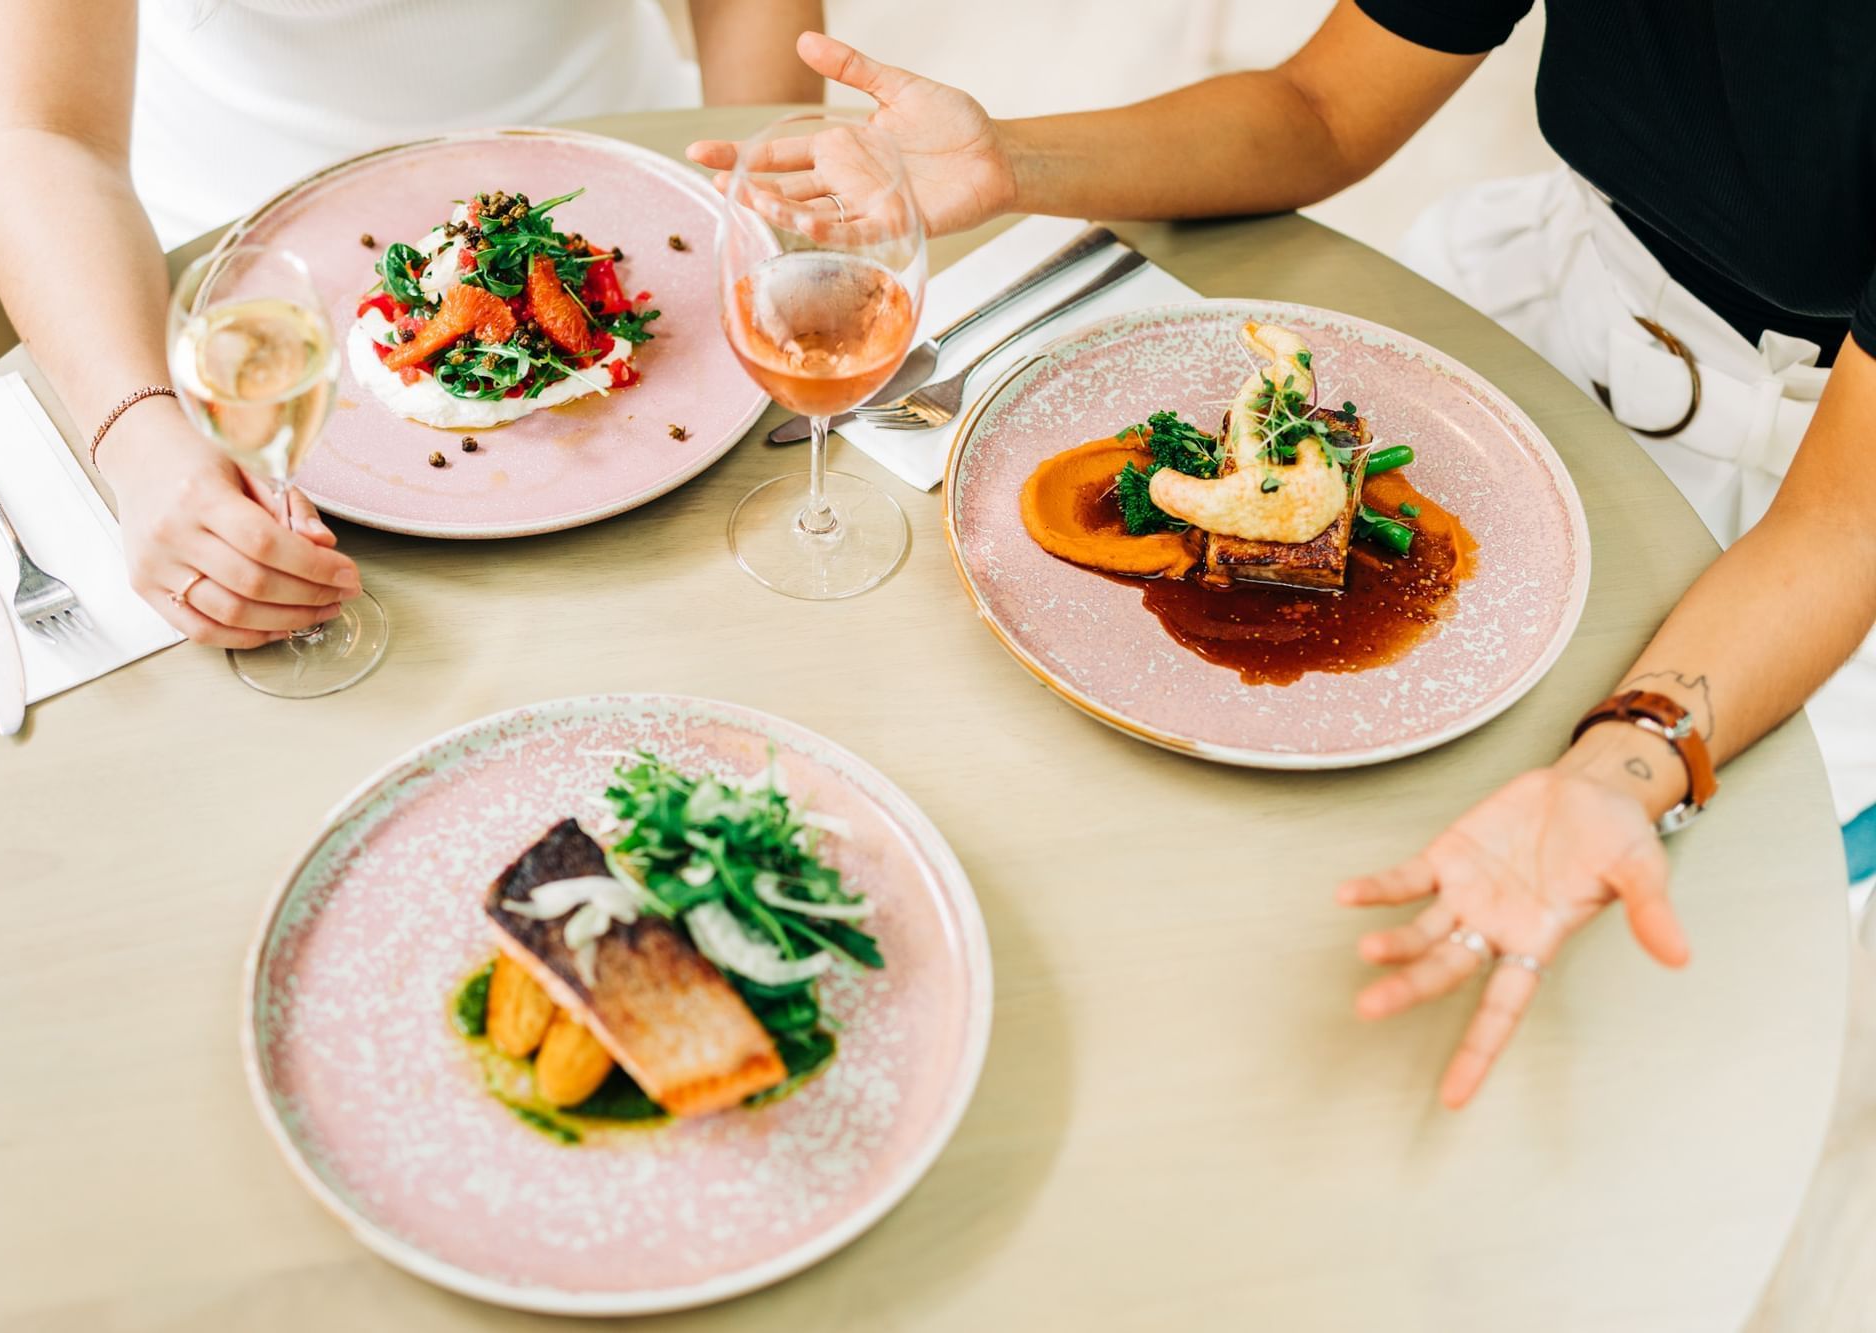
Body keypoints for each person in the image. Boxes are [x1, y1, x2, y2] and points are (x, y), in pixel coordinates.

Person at [689, 7, 1876, 1108]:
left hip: (1802, 498)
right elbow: (1321, 108)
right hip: (1552, 308)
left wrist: (1618, 768)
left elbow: (1840, 523)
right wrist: (1004, 162)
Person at [0, 0, 821, 648]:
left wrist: (745, 203)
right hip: (219, 268)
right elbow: (40, 130)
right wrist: (140, 442)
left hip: (632, 170)